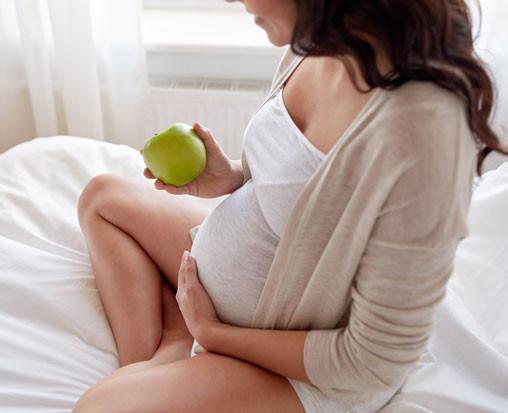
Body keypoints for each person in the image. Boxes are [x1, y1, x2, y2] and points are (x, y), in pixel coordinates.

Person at [73, 0, 508, 412]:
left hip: (303, 369)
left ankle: (172, 359)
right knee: (103, 199)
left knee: (98, 407)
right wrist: (234, 176)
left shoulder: (424, 131)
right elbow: (307, 185)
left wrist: (215, 333)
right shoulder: (320, 40)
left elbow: (370, 365)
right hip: (240, 289)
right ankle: (169, 348)